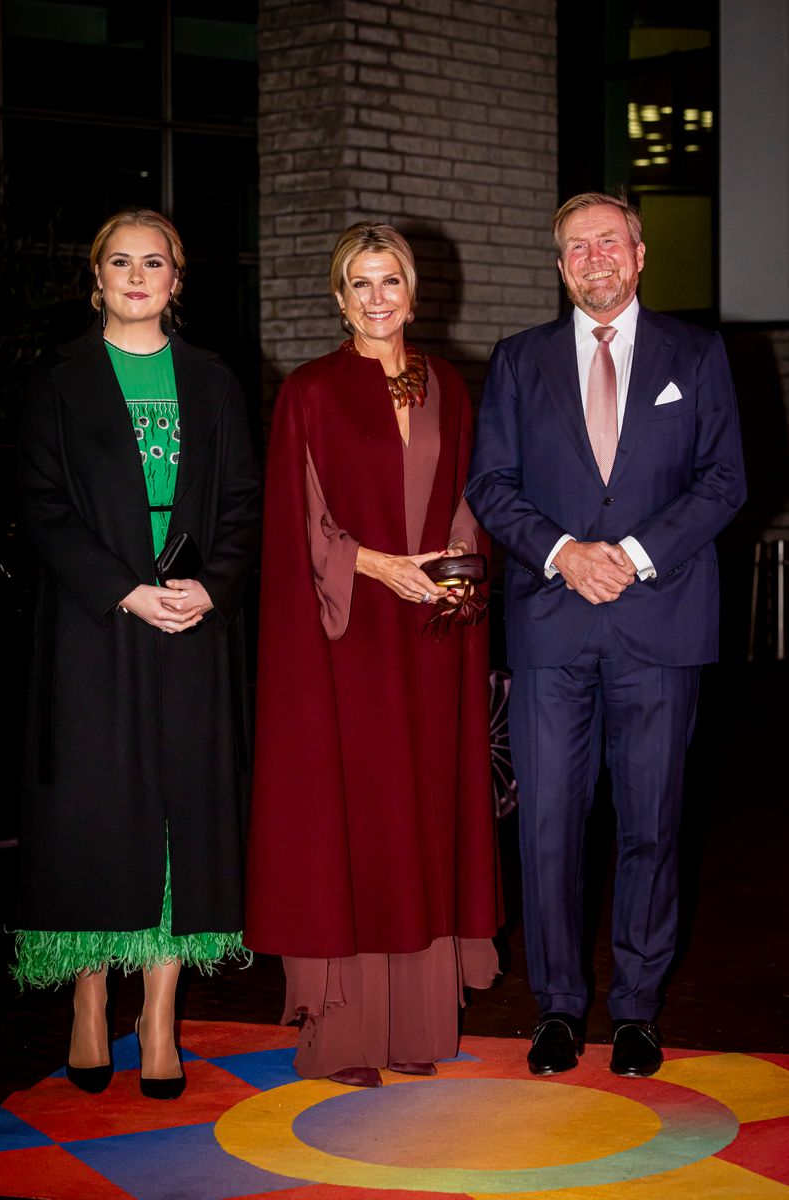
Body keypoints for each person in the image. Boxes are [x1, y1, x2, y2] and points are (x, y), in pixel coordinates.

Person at [466, 192, 746, 1078]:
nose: (594, 258)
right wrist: (563, 553)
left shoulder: (697, 356)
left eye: (608, 242)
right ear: (559, 267)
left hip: (660, 627)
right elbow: (492, 486)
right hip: (551, 630)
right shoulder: (517, 361)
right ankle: (556, 1007)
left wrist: (626, 554)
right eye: (576, 247)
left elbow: (724, 481)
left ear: (640, 254)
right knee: (548, 827)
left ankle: (636, 1011)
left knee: (651, 826)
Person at [245, 222, 501, 1086]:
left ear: (414, 291)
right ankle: (348, 1038)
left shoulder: (448, 388)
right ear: (339, 296)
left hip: (430, 637)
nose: (378, 297)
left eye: (391, 281)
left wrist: (460, 576)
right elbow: (300, 523)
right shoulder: (310, 393)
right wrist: (373, 565)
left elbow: (469, 497)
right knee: (354, 823)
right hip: (346, 638)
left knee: (421, 819)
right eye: (361, 283)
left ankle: (415, 1030)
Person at [15, 209, 261, 1099]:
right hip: (94, 626)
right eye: (119, 261)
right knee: (93, 813)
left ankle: (159, 1015)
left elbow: (242, 501)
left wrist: (212, 587)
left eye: (152, 262)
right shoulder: (59, 380)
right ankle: (88, 1003)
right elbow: (41, 503)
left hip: (193, 626)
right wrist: (123, 588)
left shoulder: (214, 381)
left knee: (181, 816)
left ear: (176, 278)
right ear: (97, 277)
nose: (135, 274)